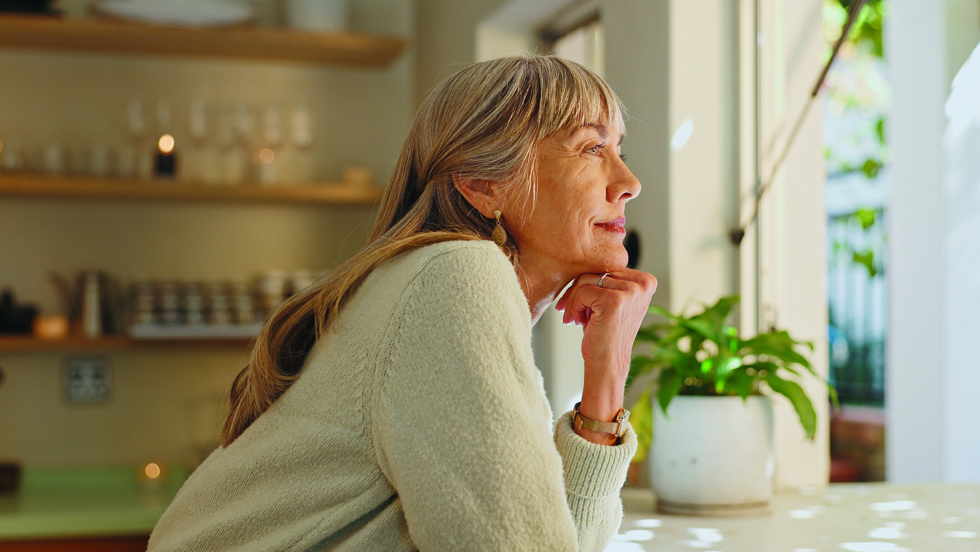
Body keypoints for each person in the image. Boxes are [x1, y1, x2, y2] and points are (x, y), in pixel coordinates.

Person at [148, 54, 657, 551]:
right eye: (591, 149)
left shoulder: (446, 284)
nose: (629, 184)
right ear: (484, 184)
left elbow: (565, 538)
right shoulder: (455, 274)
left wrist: (606, 372)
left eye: (620, 152)